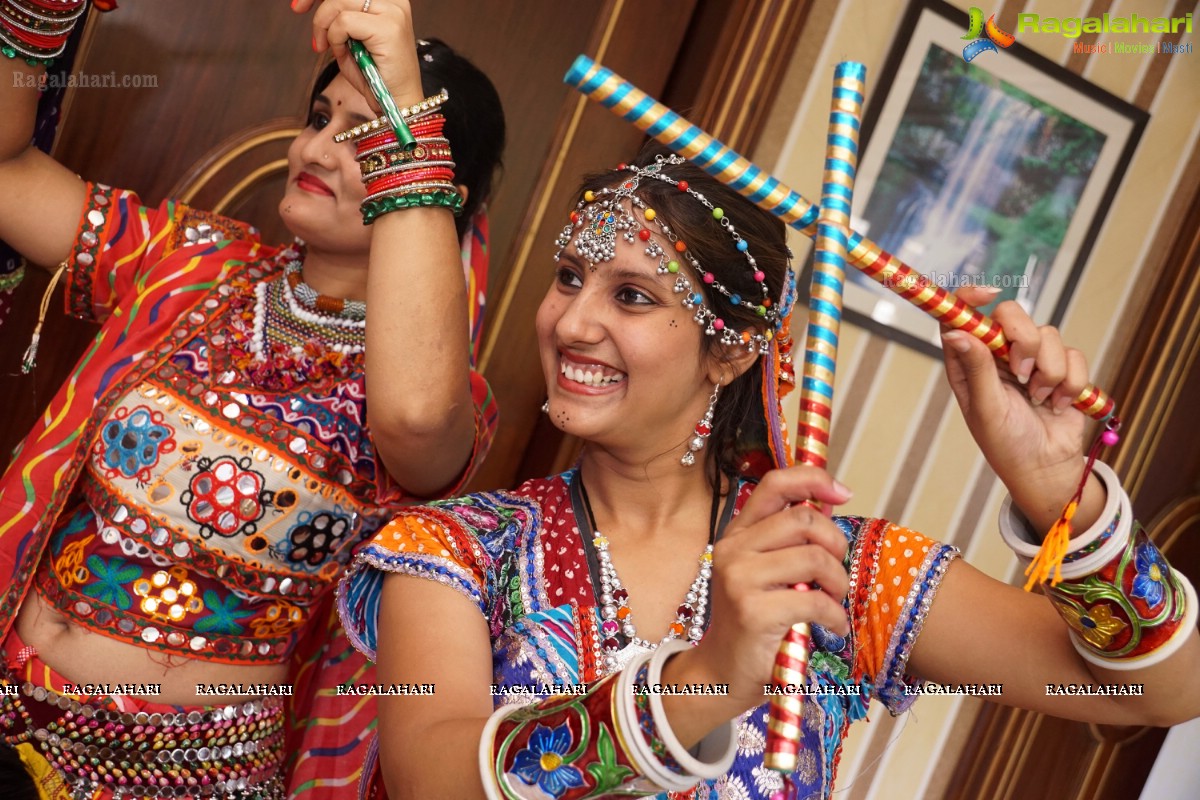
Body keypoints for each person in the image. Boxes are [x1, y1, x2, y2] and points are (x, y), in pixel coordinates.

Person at [338, 145, 1200, 799]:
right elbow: (432, 775)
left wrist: (1062, 492)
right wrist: (702, 683)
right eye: (569, 278)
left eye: (632, 296)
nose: (572, 321)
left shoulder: (835, 573)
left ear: (732, 352)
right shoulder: (457, 548)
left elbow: (1160, 692)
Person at [0, 0, 504, 796]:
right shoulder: (193, 264)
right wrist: (37, 12)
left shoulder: (440, 395)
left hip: (182, 777)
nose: (319, 147)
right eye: (321, 116)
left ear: (441, 196)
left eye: (364, 134)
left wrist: (406, 101)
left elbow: (412, 415)